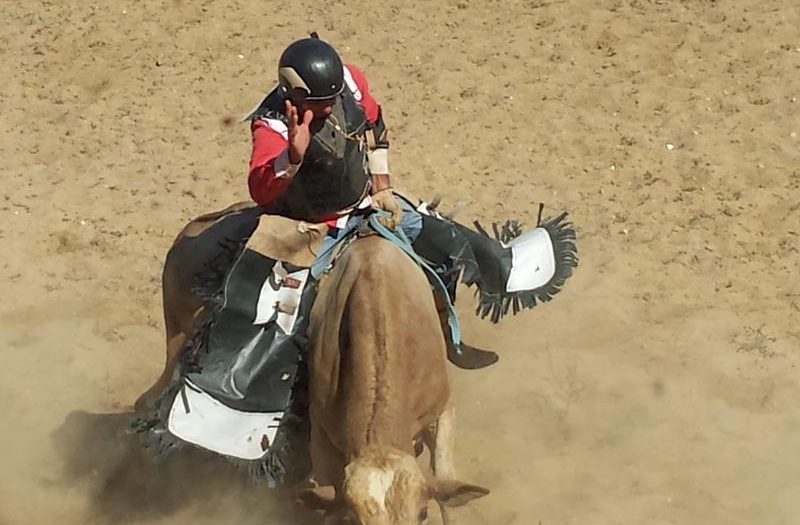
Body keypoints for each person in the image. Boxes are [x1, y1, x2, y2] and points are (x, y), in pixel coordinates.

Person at [245, 36, 575, 369]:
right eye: (320, 103)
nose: (329, 108)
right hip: (310, 230)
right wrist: (293, 156)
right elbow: (260, 188)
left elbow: (374, 127)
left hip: (367, 206)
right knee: (288, 320)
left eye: (332, 98)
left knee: (449, 245)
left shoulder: (350, 82)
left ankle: (449, 337)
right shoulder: (271, 125)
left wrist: (382, 187)